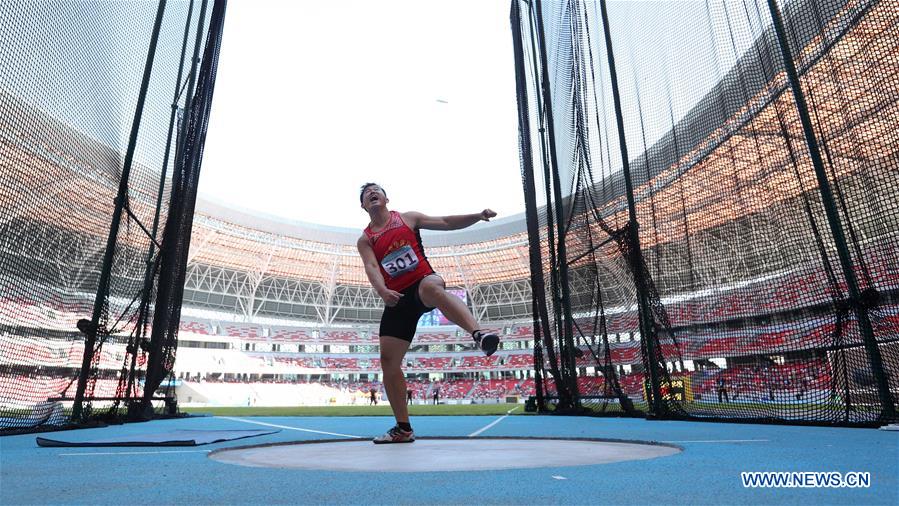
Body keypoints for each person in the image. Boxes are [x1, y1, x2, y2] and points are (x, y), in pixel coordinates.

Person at [357, 183, 499, 444]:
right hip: (396, 299)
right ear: (363, 206)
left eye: (376, 190)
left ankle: (478, 334)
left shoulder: (408, 218)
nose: (372, 193)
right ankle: (403, 428)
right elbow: (371, 267)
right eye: (367, 194)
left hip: (422, 283)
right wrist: (382, 292)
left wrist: (477, 216)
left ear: (387, 198)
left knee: (433, 287)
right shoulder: (366, 239)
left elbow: (446, 221)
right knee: (388, 361)